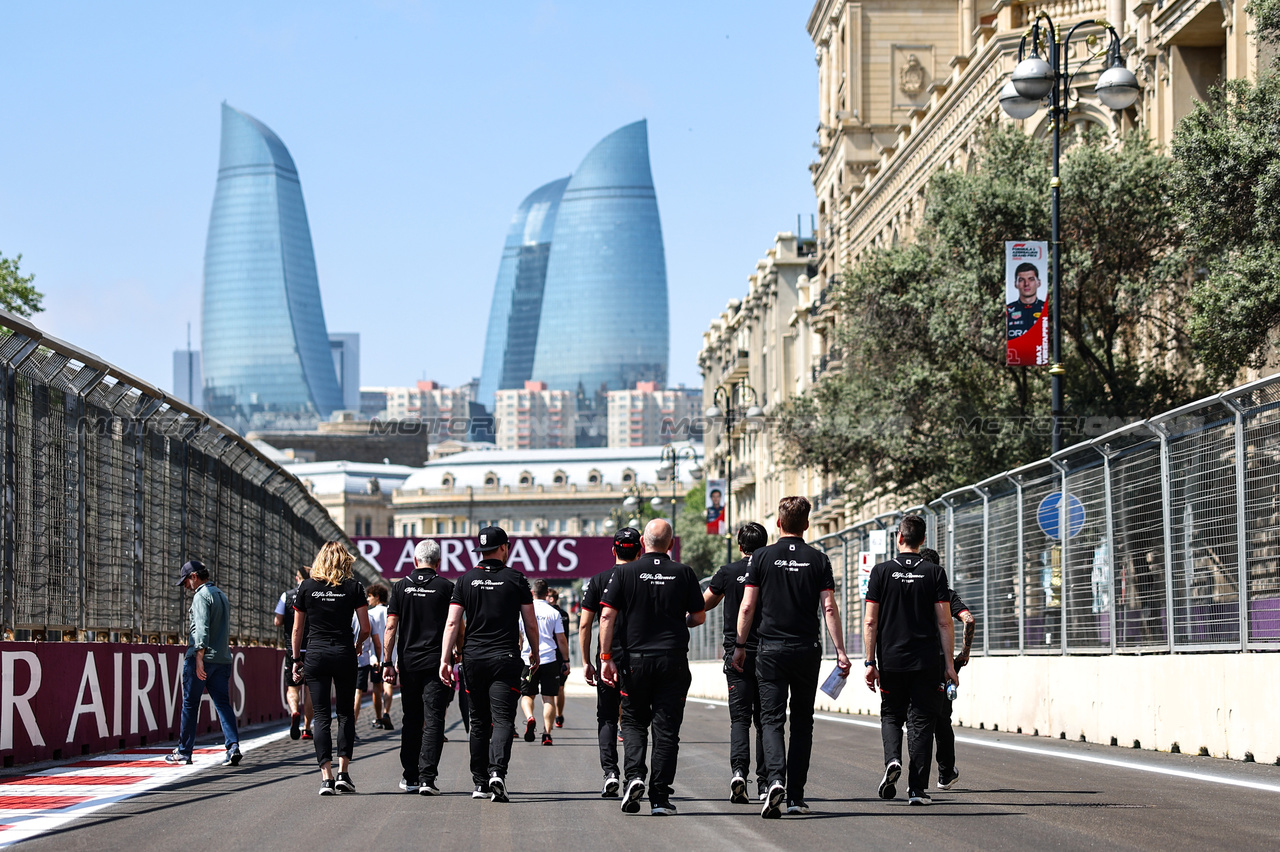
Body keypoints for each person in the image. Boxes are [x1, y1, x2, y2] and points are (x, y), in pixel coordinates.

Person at [733, 498, 851, 818]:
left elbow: (747, 607)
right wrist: (840, 651)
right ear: (807, 525)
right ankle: (796, 795)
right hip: (806, 649)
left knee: (771, 720)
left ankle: (774, 781)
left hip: (769, 649)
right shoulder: (819, 559)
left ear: (779, 524)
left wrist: (741, 645)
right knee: (802, 721)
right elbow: (828, 608)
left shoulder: (761, 557)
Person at [600, 519, 706, 817]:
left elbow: (606, 617)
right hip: (672, 660)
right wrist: (677, 622)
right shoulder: (684, 573)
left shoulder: (624, 573)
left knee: (633, 722)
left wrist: (606, 657)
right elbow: (698, 617)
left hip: (634, 661)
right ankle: (659, 797)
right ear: (671, 545)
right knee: (666, 729)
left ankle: (634, 777)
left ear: (643, 543)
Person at [439, 525, 539, 803]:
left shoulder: (465, 580)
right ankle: (498, 773)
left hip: (473, 659)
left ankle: (480, 783)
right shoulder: (516, 579)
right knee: (504, 718)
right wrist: (535, 652)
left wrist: (445, 659)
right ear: (505, 548)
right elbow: (530, 622)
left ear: (480, 551)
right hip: (505, 657)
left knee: (479, 721)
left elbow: (452, 622)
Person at [863, 515, 957, 807]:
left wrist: (869, 662)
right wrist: (950, 665)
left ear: (899, 538)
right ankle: (917, 790)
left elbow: (870, 622)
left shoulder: (880, 572)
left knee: (891, 714)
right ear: (923, 540)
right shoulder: (934, 573)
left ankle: (893, 760)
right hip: (927, 662)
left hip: (891, 659)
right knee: (921, 722)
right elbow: (944, 623)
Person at [291, 542, 371, 796]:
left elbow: (297, 629)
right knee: (346, 713)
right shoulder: (354, 587)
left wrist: (296, 659)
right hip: (344, 652)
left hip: (315, 654)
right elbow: (366, 627)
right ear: (345, 561)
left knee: (322, 716)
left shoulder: (307, 587)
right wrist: (358, 645)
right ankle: (343, 774)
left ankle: (326, 777)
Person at [703, 521, 769, 804]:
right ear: (765, 545)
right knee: (767, 721)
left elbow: (704, 603)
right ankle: (767, 784)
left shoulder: (727, 572)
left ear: (740, 545)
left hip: (737, 654)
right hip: (770, 652)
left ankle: (739, 773)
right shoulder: (772, 571)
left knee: (740, 720)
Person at [383, 540, 455, 795]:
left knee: (411, 719)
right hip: (437, 662)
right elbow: (455, 624)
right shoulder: (447, 587)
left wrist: (387, 662)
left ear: (414, 561)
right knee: (434, 718)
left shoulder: (400, 587)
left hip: (409, 662)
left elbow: (391, 626)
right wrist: (455, 652)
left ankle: (410, 776)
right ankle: (428, 778)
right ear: (438, 563)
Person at [579, 527, 642, 798]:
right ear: (639, 549)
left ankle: (610, 774)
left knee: (606, 716)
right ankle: (634, 777)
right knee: (634, 719)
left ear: (613, 550)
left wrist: (586, 661)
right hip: (639, 657)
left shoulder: (598, 579)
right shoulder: (646, 578)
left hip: (607, 658)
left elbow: (584, 625)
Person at [166, 560, 242, 767]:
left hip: (202, 658)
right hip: (222, 659)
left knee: (190, 705)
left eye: (186, 582)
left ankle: (184, 752)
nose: (186, 588)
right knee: (223, 704)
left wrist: (199, 658)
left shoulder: (201, 596)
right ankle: (233, 746)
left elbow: (201, 629)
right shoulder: (221, 595)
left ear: (194, 577)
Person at [919, 547, 975, 790]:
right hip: (943, 663)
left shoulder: (910, 593)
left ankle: (915, 776)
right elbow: (969, 619)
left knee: (918, 719)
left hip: (914, 661)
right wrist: (965, 652)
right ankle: (944, 773)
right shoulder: (946, 594)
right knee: (942, 718)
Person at [518, 579, 569, 745]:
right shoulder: (553, 612)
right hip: (549, 659)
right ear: (547, 594)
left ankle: (530, 717)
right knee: (549, 699)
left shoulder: (523, 611)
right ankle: (547, 734)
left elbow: (519, 636)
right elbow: (561, 639)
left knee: (527, 695)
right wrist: (566, 660)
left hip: (528, 659)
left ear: (532, 593)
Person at [274, 566, 313, 740]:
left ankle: (294, 711)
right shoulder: (315, 594)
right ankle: (306, 728)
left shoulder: (286, 595)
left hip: (293, 648)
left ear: (297, 578)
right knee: (311, 689)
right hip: (312, 647)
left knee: (293, 687)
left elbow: (277, 621)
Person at [353, 584, 387, 737]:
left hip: (341, 657)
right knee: (357, 692)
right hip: (362, 659)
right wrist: (379, 660)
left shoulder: (343, 613)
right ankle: (351, 725)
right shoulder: (368, 616)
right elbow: (377, 644)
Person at [365, 584, 395, 731]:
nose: (368, 599)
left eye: (370, 596)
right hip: (391, 655)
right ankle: (386, 712)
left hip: (375, 655)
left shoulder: (370, 614)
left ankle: (378, 718)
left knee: (377, 687)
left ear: (377, 596)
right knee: (388, 684)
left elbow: (370, 637)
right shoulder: (392, 611)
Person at [547, 587, 570, 728]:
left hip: (549, 655)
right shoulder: (563, 614)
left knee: (549, 690)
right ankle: (558, 716)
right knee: (560, 688)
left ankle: (552, 719)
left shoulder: (555, 614)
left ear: (551, 598)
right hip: (561, 655)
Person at [1006, 261, 1045, 338]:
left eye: (1031, 279)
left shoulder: (1046, 309)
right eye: (1021, 280)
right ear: (1015, 284)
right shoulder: (1008, 310)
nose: (1026, 284)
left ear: (1039, 283)